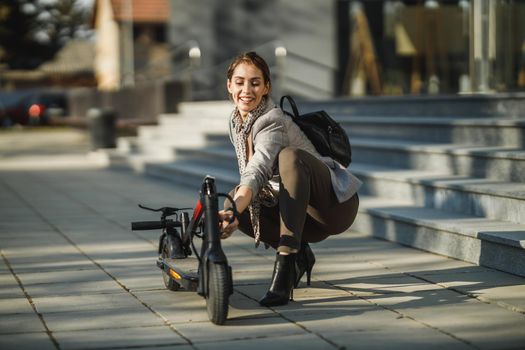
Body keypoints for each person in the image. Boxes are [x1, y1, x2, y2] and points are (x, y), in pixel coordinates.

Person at [219, 52, 361, 307]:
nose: (246, 90)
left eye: (255, 82)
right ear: (229, 85)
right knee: (232, 201)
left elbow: (258, 170)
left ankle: (285, 263)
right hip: (298, 214)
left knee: (290, 157)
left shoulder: (272, 121)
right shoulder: (236, 121)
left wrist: (237, 207)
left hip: (332, 208)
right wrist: (230, 213)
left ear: (266, 87)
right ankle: (301, 255)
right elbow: (251, 178)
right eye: (239, 82)